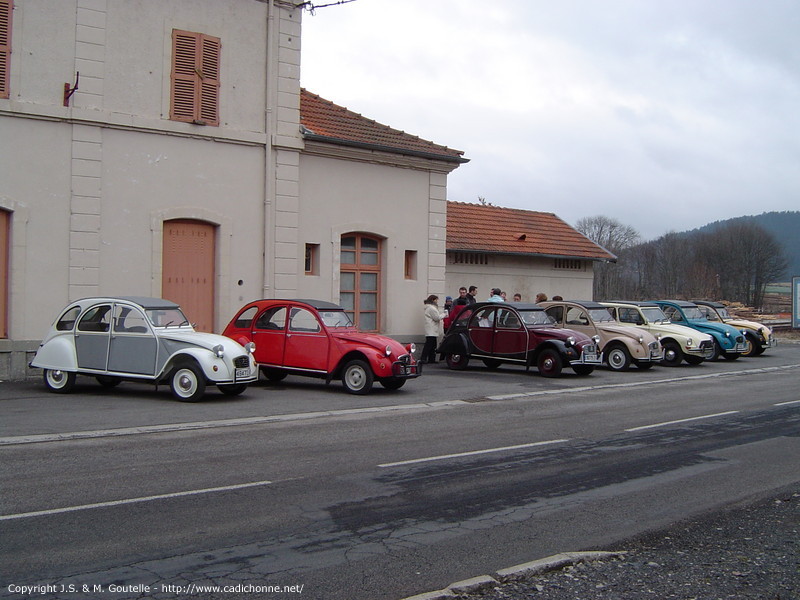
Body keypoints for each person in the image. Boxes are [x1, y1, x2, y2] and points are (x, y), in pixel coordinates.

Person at [421, 295, 444, 364]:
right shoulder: (431, 308)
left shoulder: (429, 308)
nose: (437, 301)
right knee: (429, 345)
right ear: (433, 300)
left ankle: (431, 358)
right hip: (432, 329)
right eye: (436, 300)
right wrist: (444, 314)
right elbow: (437, 317)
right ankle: (424, 358)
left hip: (431, 329)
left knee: (432, 345)